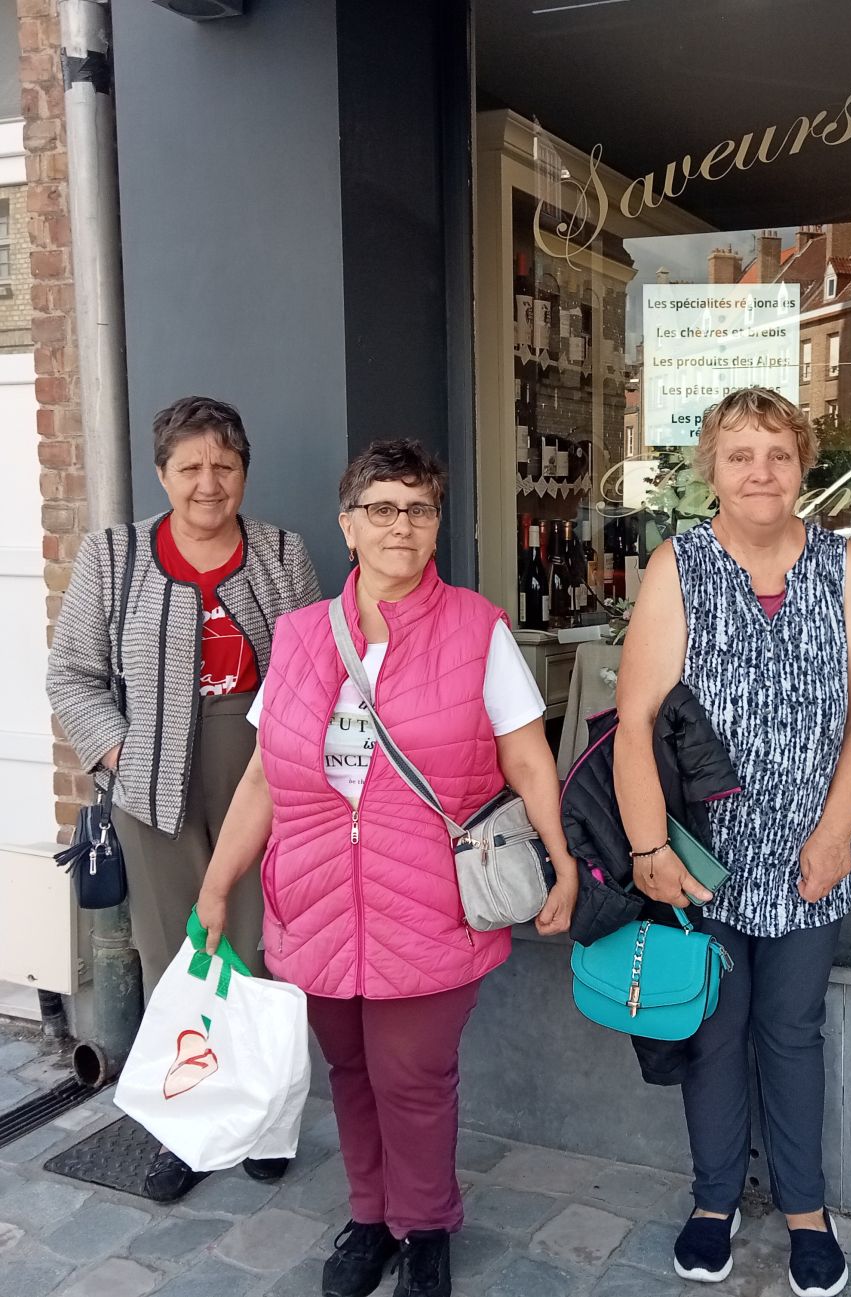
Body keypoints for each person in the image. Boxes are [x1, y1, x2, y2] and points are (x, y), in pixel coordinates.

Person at [195, 439, 578, 1297]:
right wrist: (217, 889)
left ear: (437, 522)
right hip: (317, 900)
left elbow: (525, 758)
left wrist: (561, 861)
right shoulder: (297, 636)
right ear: (349, 524)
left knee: (413, 1076)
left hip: (430, 900)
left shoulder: (476, 628)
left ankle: (428, 1223)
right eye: (382, 507)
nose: (401, 525)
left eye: (419, 508)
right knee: (351, 1073)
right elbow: (262, 774)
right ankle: (369, 1217)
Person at [615, 388, 851, 1296]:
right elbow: (635, 720)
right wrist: (651, 847)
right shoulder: (679, 565)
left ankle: (807, 1208)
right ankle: (714, 1199)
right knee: (714, 1029)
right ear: (713, 469)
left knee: (792, 1028)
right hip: (703, 857)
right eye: (740, 454)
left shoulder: (844, 567)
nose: (759, 470)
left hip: (813, 853)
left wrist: (837, 830)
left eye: (775, 451)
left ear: (801, 463)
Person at [46, 395, 321, 1200]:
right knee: (178, 961)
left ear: (244, 473)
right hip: (150, 782)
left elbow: (308, 672)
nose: (209, 484)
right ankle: (188, 1130)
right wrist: (121, 752)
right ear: (162, 472)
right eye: (191, 467)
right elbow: (72, 675)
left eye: (224, 466)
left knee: (263, 954)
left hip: (261, 770)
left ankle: (269, 1121)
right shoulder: (115, 555)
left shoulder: (279, 552)